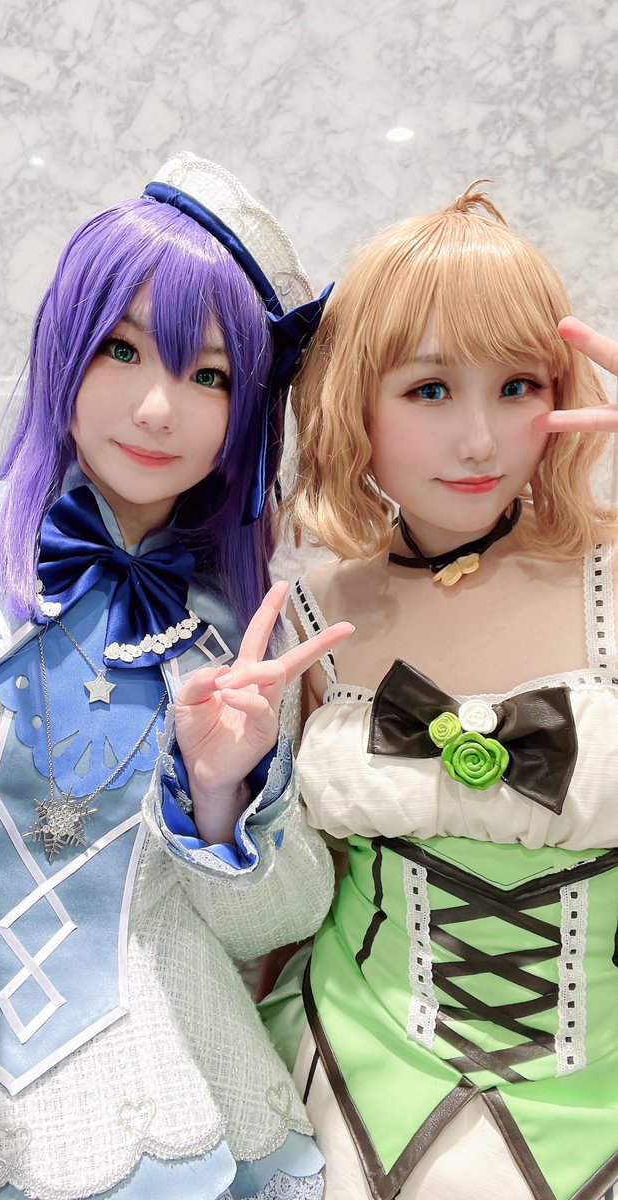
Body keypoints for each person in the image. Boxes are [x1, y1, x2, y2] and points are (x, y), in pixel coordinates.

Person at [0, 151, 352, 1200]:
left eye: (209, 376)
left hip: (165, 1083)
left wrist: (219, 793)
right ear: (64, 347)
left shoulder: (243, 628)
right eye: (121, 350)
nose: (159, 409)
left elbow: (272, 926)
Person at [259, 184, 618, 1200]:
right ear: (353, 401)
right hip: (348, 1088)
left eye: (518, 386)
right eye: (428, 390)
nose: (479, 440)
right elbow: (287, 895)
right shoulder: (307, 614)